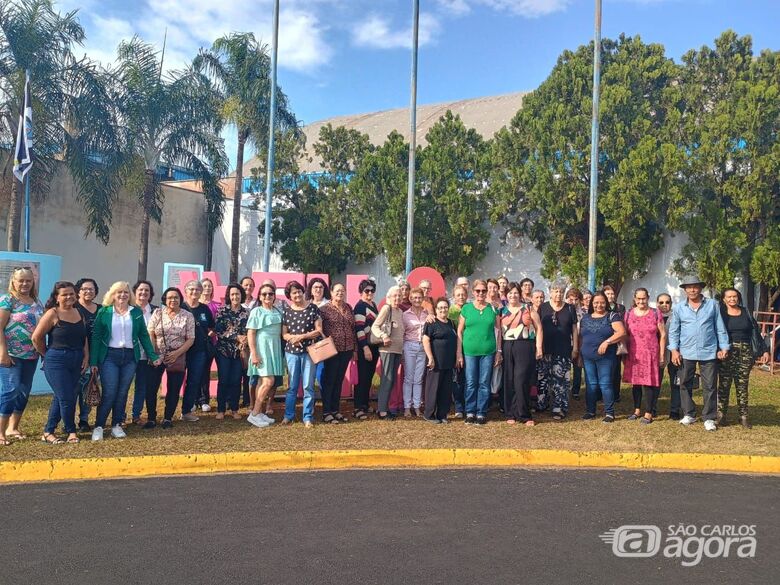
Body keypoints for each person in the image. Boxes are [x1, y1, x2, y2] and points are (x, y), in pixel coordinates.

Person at [90, 281, 159, 440]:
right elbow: (96, 337)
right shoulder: (105, 311)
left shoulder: (135, 312)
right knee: (110, 392)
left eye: (126, 293)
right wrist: (94, 362)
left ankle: (116, 425)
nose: (122, 295)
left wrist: (152, 355)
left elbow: (143, 335)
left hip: (129, 357)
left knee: (122, 393)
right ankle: (99, 426)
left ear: (130, 295)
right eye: (119, 292)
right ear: (112, 295)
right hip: (109, 357)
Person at [667, 276, 730, 431]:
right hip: (686, 351)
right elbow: (674, 331)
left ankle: (709, 417)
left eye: (695, 287)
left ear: (701, 288)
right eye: (688, 287)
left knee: (710, 385)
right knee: (684, 383)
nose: (692, 290)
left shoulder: (712, 305)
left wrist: (724, 347)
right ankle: (689, 413)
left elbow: (720, 327)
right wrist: (674, 350)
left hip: (708, 351)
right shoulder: (679, 308)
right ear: (684, 290)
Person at [31, 282, 88, 444]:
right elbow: (36, 338)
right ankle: (71, 431)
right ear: (57, 297)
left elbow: (84, 338)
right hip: (57, 360)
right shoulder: (52, 313)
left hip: (76, 359)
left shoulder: (79, 312)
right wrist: (46, 354)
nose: (69, 297)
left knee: (60, 396)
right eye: (64, 294)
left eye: (71, 293)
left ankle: (48, 431)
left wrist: (86, 357)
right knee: (67, 397)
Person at [0, 267, 43, 445]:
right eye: (21, 280)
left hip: (31, 356)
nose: (25, 284)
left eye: (28, 280)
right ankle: (1, 431)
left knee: (24, 391)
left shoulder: (36, 302)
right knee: (11, 390)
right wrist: (2, 352)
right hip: (11, 355)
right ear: (14, 281)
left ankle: (13, 427)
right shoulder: (7, 300)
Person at [717, 288, 770, 429]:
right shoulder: (720, 313)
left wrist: (764, 350)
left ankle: (743, 416)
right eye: (729, 297)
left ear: (738, 298)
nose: (732, 299)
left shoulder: (746, 312)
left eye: (734, 296)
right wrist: (718, 350)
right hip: (726, 351)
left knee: (742, 384)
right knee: (724, 384)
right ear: (723, 299)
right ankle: (721, 415)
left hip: (745, 352)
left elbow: (755, 332)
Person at [146, 287, 195, 429]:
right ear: (164, 300)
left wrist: (177, 353)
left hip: (177, 356)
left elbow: (190, 339)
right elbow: (150, 333)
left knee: (173, 389)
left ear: (180, 299)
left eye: (176, 297)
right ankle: (151, 418)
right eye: (170, 298)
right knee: (151, 388)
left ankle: (168, 418)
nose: (173, 300)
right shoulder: (157, 313)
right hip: (156, 355)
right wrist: (153, 354)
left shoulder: (187, 316)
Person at [457, 280, 501, 425]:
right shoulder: (466, 309)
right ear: (473, 292)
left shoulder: (493, 309)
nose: (481, 293)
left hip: (488, 351)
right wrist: (459, 353)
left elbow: (499, 331)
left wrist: (499, 351)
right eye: (478, 291)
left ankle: (481, 412)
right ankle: (470, 412)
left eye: (483, 291)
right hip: (469, 351)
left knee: (484, 383)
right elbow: (460, 331)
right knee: (470, 382)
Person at [579, 291, 626, 422]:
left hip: (606, 357)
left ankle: (609, 413)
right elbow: (581, 337)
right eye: (596, 302)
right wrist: (578, 355)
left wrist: (607, 342)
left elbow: (622, 332)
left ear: (606, 303)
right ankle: (590, 411)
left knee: (605, 384)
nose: (599, 305)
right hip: (587, 357)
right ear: (591, 303)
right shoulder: (585, 318)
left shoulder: (612, 316)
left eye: (602, 302)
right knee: (591, 384)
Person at [281, 280, 323, 427]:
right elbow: (284, 334)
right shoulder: (287, 310)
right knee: (292, 386)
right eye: (294, 292)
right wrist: (292, 338)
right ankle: (288, 415)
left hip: (309, 352)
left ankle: (307, 417)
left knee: (308, 386)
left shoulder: (313, 308)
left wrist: (302, 337)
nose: (297, 294)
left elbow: (319, 330)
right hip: (291, 353)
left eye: (299, 291)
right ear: (289, 296)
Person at [501, 282, 543, 426]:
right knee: (509, 380)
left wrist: (539, 347)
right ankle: (511, 413)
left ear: (520, 294)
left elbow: (539, 328)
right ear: (506, 295)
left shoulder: (528, 308)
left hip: (525, 345)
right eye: (510, 293)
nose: (513, 295)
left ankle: (524, 414)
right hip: (507, 346)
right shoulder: (501, 310)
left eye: (515, 293)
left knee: (521, 380)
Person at [623, 288, 666, 424]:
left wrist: (662, 355)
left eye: (644, 298)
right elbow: (624, 333)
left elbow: (663, 334)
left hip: (650, 353)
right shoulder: (628, 313)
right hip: (634, 354)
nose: (641, 301)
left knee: (649, 384)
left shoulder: (655, 313)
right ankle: (636, 410)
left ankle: (648, 412)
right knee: (636, 384)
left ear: (648, 298)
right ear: (635, 299)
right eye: (639, 298)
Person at [537, 283, 579, 420]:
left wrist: (575, 347)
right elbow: (538, 328)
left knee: (560, 379)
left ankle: (558, 407)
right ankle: (542, 404)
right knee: (543, 378)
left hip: (563, 349)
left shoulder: (570, 308)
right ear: (550, 293)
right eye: (555, 291)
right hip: (545, 349)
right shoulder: (542, 307)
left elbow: (574, 329)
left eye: (561, 292)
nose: (558, 294)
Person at [246, 283, 284, 428]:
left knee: (263, 382)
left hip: (274, 349)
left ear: (274, 296)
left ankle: (260, 413)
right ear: (260, 297)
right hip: (262, 349)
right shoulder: (256, 311)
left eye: (270, 294)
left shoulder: (277, 311)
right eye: (264, 294)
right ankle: (254, 414)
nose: (268, 296)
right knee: (269, 381)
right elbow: (251, 333)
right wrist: (254, 354)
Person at [319, 283, 356, 423]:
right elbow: (319, 329)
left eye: (342, 290)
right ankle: (326, 412)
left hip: (347, 350)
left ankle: (335, 410)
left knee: (339, 381)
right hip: (332, 351)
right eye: (337, 290)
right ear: (332, 292)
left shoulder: (348, 307)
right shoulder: (324, 309)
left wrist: (355, 349)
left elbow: (352, 329)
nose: (340, 293)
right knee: (329, 381)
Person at [214, 284, 248, 420]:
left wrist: (244, 339)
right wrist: (236, 337)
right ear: (229, 296)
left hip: (239, 352)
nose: (235, 297)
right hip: (224, 351)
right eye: (232, 294)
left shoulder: (246, 312)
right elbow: (219, 330)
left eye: (238, 294)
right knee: (223, 380)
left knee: (236, 380)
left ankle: (234, 409)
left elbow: (249, 330)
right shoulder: (222, 311)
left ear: (241, 295)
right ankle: (221, 409)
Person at [182, 280, 214, 418]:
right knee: (177, 379)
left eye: (197, 289)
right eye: (191, 289)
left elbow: (211, 326)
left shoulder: (204, 309)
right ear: (186, 291)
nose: (194, 292)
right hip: (181, 350)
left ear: (201, 292)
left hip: (199, 350)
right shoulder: (181, 307)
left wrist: (210, 333)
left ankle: (188, 409)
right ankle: (171, 411)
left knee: (195, 379)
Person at [371, 286, 404, 420]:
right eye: (394, 296)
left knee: (391, 380)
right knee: (387, 379)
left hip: (397, 350)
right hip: (387, 349)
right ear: (388, 297)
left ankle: (385, 407)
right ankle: (382, 411)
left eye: (399, 296)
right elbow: (375, 326)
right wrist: (383, 336)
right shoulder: (387, 308)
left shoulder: (400, 311)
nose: (397, 298)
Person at [422, 297, 457, 423]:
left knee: (445, 390)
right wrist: (430, 357)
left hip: (449, 363)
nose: (443, 309)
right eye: (440, 307)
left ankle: (442, 415)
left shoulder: (452, 323)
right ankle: (428, 414)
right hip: (436, 362)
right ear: (436, 310)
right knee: (433, 389)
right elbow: (425, 340)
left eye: (445, 307)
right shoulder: (431, 322)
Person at [130, 280, 157, 425]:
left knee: (142, 386)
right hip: (129, 355)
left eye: (147, 290)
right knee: (124, 386)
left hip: (147, 357)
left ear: (150, 294)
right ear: (135, 293)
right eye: (140, 290)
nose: (143, 293)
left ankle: (136, 415)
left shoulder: (156, 311)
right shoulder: (128, 310)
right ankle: (120, 416)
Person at [74, 277, 99, 430]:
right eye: (84, 289)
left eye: (91, 289)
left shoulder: (102, 309)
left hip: (95, 356)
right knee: (72, 390)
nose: (88, 291)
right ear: (78, 291)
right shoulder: (73, 308)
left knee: (88, 389)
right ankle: (67, 421)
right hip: (76, 355)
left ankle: (84, 420)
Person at [353, 279, 379, 420]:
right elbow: (359, 328)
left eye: (372, 290)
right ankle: (357, 407)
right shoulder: (360, 307)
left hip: (374, 346)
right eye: (366, 291)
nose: (369, 293)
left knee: (368, 377)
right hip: (366, 347)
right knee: (362, 378)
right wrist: (365, 348)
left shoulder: (373, 305)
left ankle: (365, 404)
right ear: (361, 292)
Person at [402, 287, 429, 417]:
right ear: (410, 299)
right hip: (409, 346)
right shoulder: (405, 315)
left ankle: (417, 406)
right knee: (408, 378)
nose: (417, 300)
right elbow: (401, 333)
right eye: (415, 298)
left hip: (422, 347)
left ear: (423, 299)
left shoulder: (427, 314)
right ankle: (407, 407)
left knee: (418, 379)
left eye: (419, 297)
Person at [197, 278, 220, 413]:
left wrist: (214, 331)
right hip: (196, 344)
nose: (207, 288)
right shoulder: (194, 305)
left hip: (211, 343)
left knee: (205, 371)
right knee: (195, 372)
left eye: (209, 286)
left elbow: (219, 323)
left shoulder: (216, 305)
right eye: (204, 285)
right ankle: (195, 399)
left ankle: (204, 400)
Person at [656, 293, 680, 419]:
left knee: (675, 381)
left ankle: (675, 409)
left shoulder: (676, 316)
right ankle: (652, 408)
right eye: (661, 302)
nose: (664, 305)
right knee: (655, 382)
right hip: (657, 353)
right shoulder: (652, 316)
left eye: (667, 302)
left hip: (673, 352)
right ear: (656, 303)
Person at [603, 284, 626, 402]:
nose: (610, 296)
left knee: (616, 369)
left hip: (616, 341)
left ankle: (616, 394)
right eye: (607, 294)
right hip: (603, 340)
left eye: (612, 293)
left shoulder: (620, 308)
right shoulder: (600, 307)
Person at [448, 284, 468, 417]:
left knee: (469, 379)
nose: (461, 297)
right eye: (458, 295)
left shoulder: (470, 309)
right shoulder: (450, 312)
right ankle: (459, 408)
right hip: (455, 349)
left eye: (463, 294)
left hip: (470, 348)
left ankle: (469, 405)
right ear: (454, 297)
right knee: (457, 379)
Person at [239, 276, 257, 408]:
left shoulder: (257, 303)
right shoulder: (236, 302)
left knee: (248, 371)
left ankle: (247, 398)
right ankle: (232, 398)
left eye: (251, 285)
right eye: (246, 285)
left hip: (253, 342)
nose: (248, 288)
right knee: (235, 372)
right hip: (238, 342)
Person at [567, 287, 585, 400]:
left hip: (580, 341)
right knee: (565, 368)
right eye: (571, 299)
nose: (573, 302)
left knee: (578, 367)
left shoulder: (584, 313)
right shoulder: (564, 310)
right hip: (566, 342)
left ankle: (576, 391)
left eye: (576, 299)